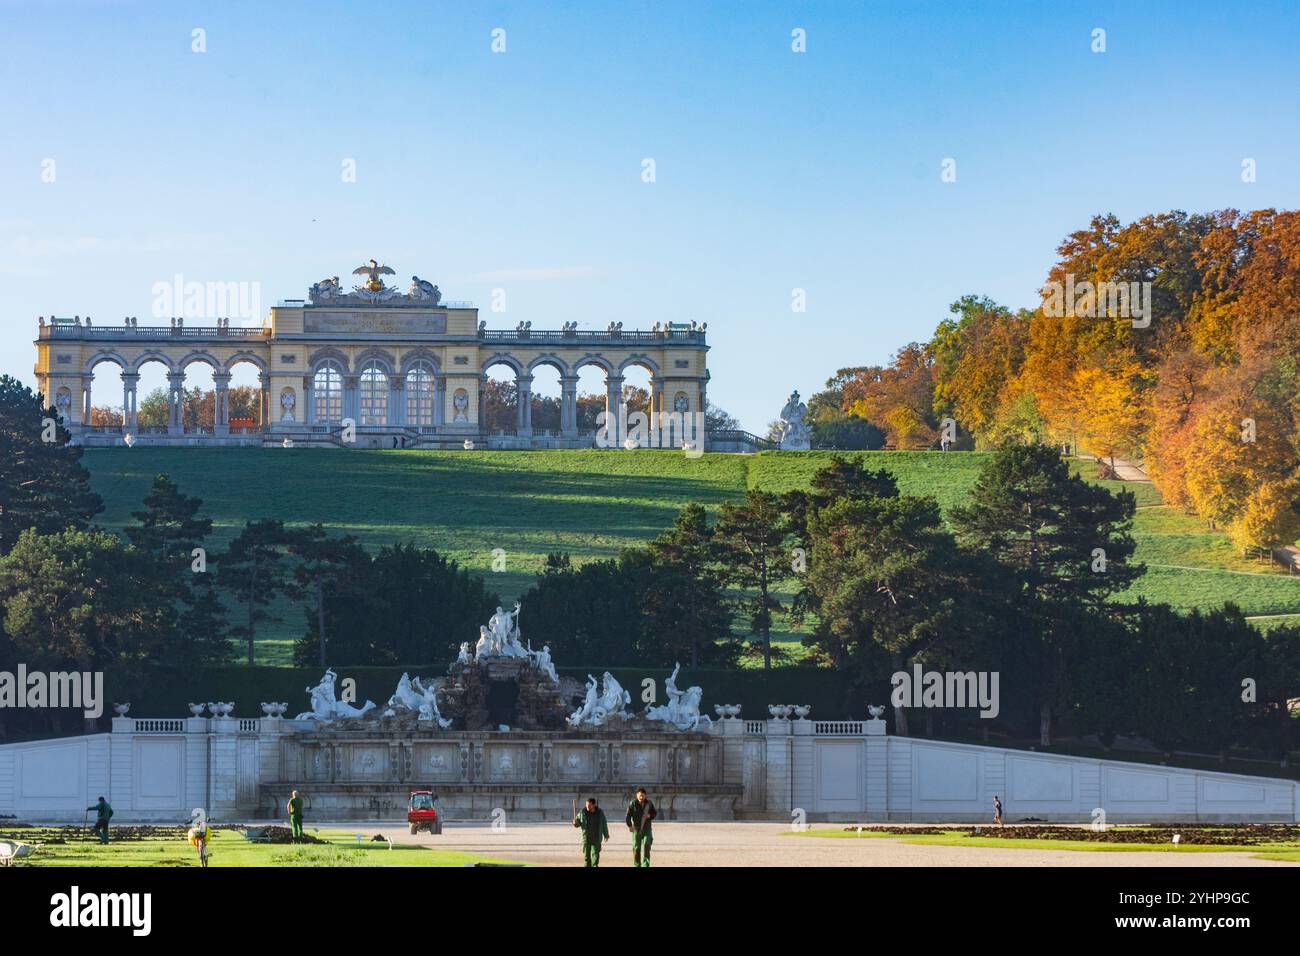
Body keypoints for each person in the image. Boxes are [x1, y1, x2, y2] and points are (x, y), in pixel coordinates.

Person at [625, 787, 657, 867]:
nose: (641, 797)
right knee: (636, 848)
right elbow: (628, 815)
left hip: (647, 828)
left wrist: (650, 815)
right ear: (637, 795)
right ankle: (637, 865)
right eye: (640, 795)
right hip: (636, 829)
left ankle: (645, 864)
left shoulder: (649, 803)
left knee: (647, 845)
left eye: (643, 795)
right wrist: (629, 825)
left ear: (645, 795)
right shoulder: (633, 803)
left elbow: (654, 813)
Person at [572, 796, 609, 867]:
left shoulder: (600, 813)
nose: (587, 807)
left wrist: (606, 835)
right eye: (586, 805)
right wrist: (574, 823)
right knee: (586, 858)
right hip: (586, 839)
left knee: (595, 857)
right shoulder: (582, 812)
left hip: (596, 839)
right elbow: (578, 823)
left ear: (594, 805)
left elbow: (604, 824)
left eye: (589, 805)